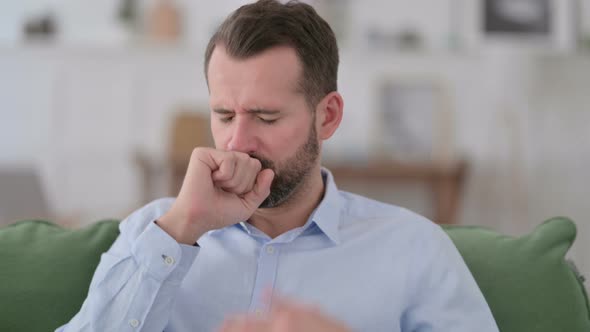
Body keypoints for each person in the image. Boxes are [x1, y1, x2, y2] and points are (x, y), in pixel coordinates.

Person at [58, 1, 499, 331]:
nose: (238, 142)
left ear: (327, 116)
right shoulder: (152, 232)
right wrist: (179, 229)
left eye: (266, 117)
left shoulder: (414, 248)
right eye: (224, 116)